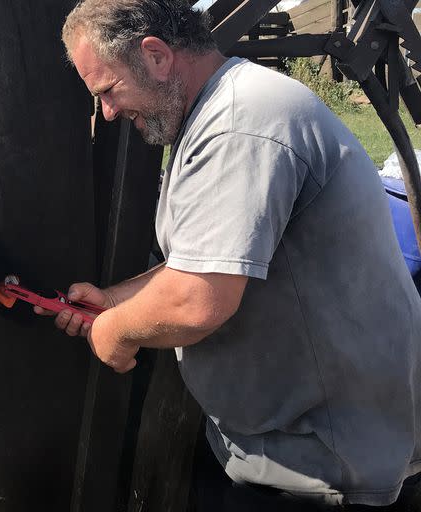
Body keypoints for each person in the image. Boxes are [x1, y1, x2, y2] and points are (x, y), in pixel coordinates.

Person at [38, 0, 421, 508]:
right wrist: (114, 299)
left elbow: (198, 299)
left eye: (107, 91)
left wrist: (116, 329)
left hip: (325, 466)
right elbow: (200, 261)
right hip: (285, 446)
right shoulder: (219, 110)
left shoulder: (241, 125)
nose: (107, 112)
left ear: (155, 55)